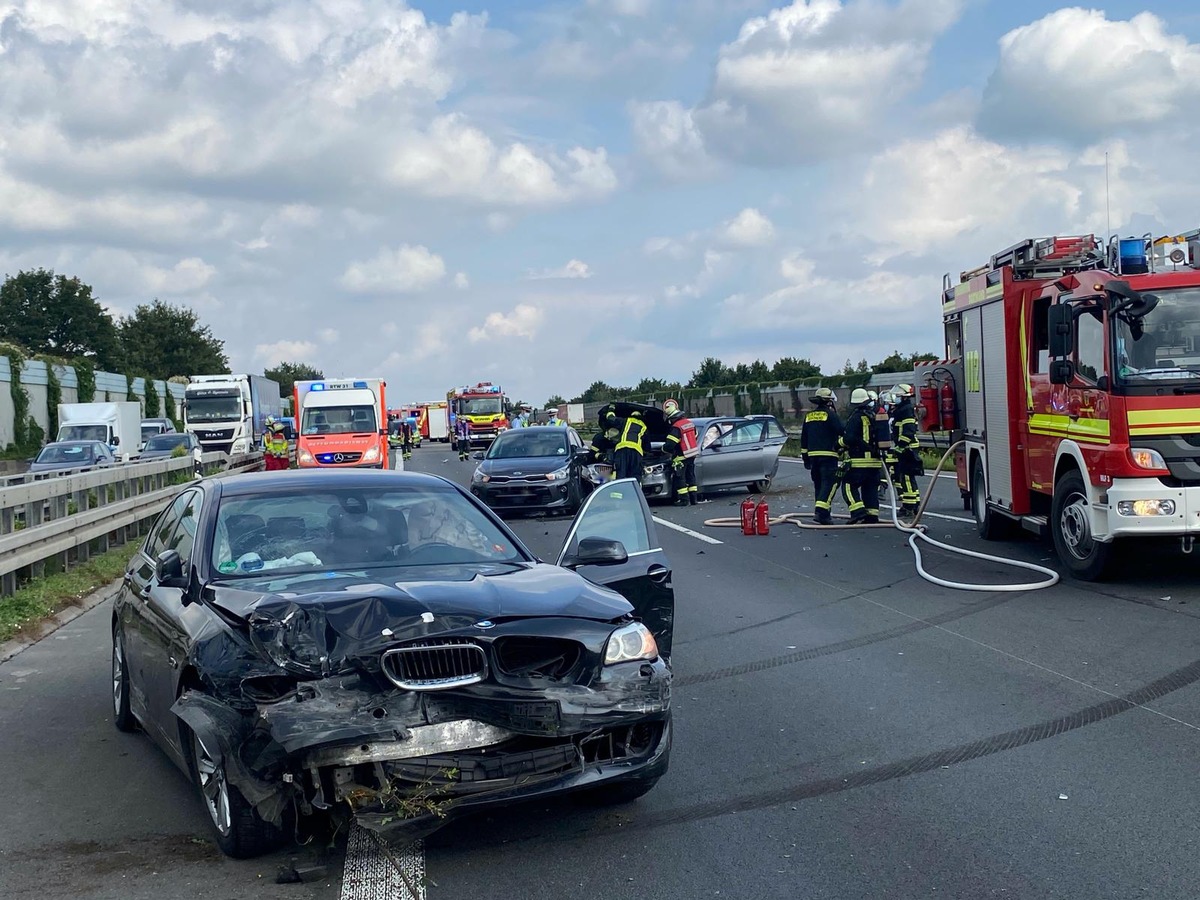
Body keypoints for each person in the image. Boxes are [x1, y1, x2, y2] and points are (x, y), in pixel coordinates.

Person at [799, 388, 843, 525]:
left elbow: (804, 438)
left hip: (813, 457)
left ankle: (821, 513)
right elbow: (843, 430)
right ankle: (822, 512)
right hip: (828, 456)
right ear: (829, 401)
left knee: (818, 485)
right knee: (828, 484)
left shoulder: (809, 416)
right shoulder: (831, 415)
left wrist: (805, 458)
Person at [840, 388, 882, 524]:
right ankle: (872, 515)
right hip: (875, 461)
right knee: (870, 488)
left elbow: (850, 438)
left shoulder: (856, 417)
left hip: (860, 461)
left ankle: (857, 512)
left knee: (847, 485)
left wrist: (838, 444)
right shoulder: (874, 416)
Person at [890, 384, 922, 518]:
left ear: (903, 397)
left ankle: (909, 506)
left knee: (907, 478)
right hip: (906, 448)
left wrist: (901, 445)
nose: (895, 399)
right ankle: (913, 504)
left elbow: (908, 430)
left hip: (907, 449)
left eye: (898, 396)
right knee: (907, 478)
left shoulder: (906, 410)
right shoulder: (902, 409)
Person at [662, 398, 699, 506]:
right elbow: (695, 436)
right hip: (692, 454)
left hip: (680, 456)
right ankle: (693, 499)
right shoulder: (690, 423)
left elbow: (669, 445)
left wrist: (663, 449)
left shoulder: (676, 427)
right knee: (691, 477)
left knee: (680, 477)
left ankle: (684, 500)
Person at [604, 406, 646, 482]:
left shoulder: (626, 421)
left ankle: (619, 493)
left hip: (622, 450)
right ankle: (634, 493)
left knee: (620, 475)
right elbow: (647, 446)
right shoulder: (644, 427)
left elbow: (610, 418)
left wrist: (611, 409)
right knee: (635, 477)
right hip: (636, 453)